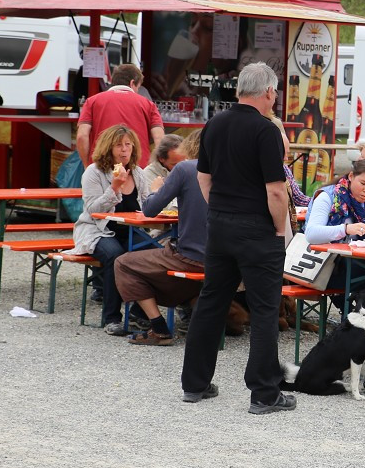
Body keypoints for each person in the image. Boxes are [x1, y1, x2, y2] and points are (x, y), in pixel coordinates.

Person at [181, 62, 293, 414]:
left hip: (220, 226)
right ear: (269, 92)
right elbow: (276, 191)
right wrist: (278, 230)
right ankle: (263, 392)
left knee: (212, 299)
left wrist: (220, 210)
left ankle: (194, 383)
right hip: (257, 228)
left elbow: (203, 178)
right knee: (263, 309)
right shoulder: (266, 131)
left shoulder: (214, 124)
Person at [303, 158, 365, 375]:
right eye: (363, 184)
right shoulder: (327, 196)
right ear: (350, 177)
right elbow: (311, 234)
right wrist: (345, 230)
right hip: (327, 267)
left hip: (356, 265)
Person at [114, 132, 206, 346]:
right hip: (229, 260)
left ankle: (158, 327)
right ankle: (191, 314)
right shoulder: (237, 171)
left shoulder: (186, 169)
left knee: (124, 263)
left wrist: (154, 190)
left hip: (191, 257)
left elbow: (150, 209)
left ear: (191, 146)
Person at [69, 125, 152, 335]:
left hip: (131, 231)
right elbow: (93, 210)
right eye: (118, 145)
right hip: (97, 231)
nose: (124, 150)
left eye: (128, 145)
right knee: (116, 256)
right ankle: (112, 318)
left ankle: (139, 313)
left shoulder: (139, 174)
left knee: (157, 254)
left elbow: (146, 206)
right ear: (108, 147)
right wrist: (114, 187)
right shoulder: (94, 172)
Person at [76, 64, 165, 168]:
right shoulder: (148, 104)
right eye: (138, 87)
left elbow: (82, 136)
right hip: (138, 167)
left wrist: (87, 165)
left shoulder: (92, 101)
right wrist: (154, 166)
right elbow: (159, 138)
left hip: (101, 167)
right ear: (132, 83)